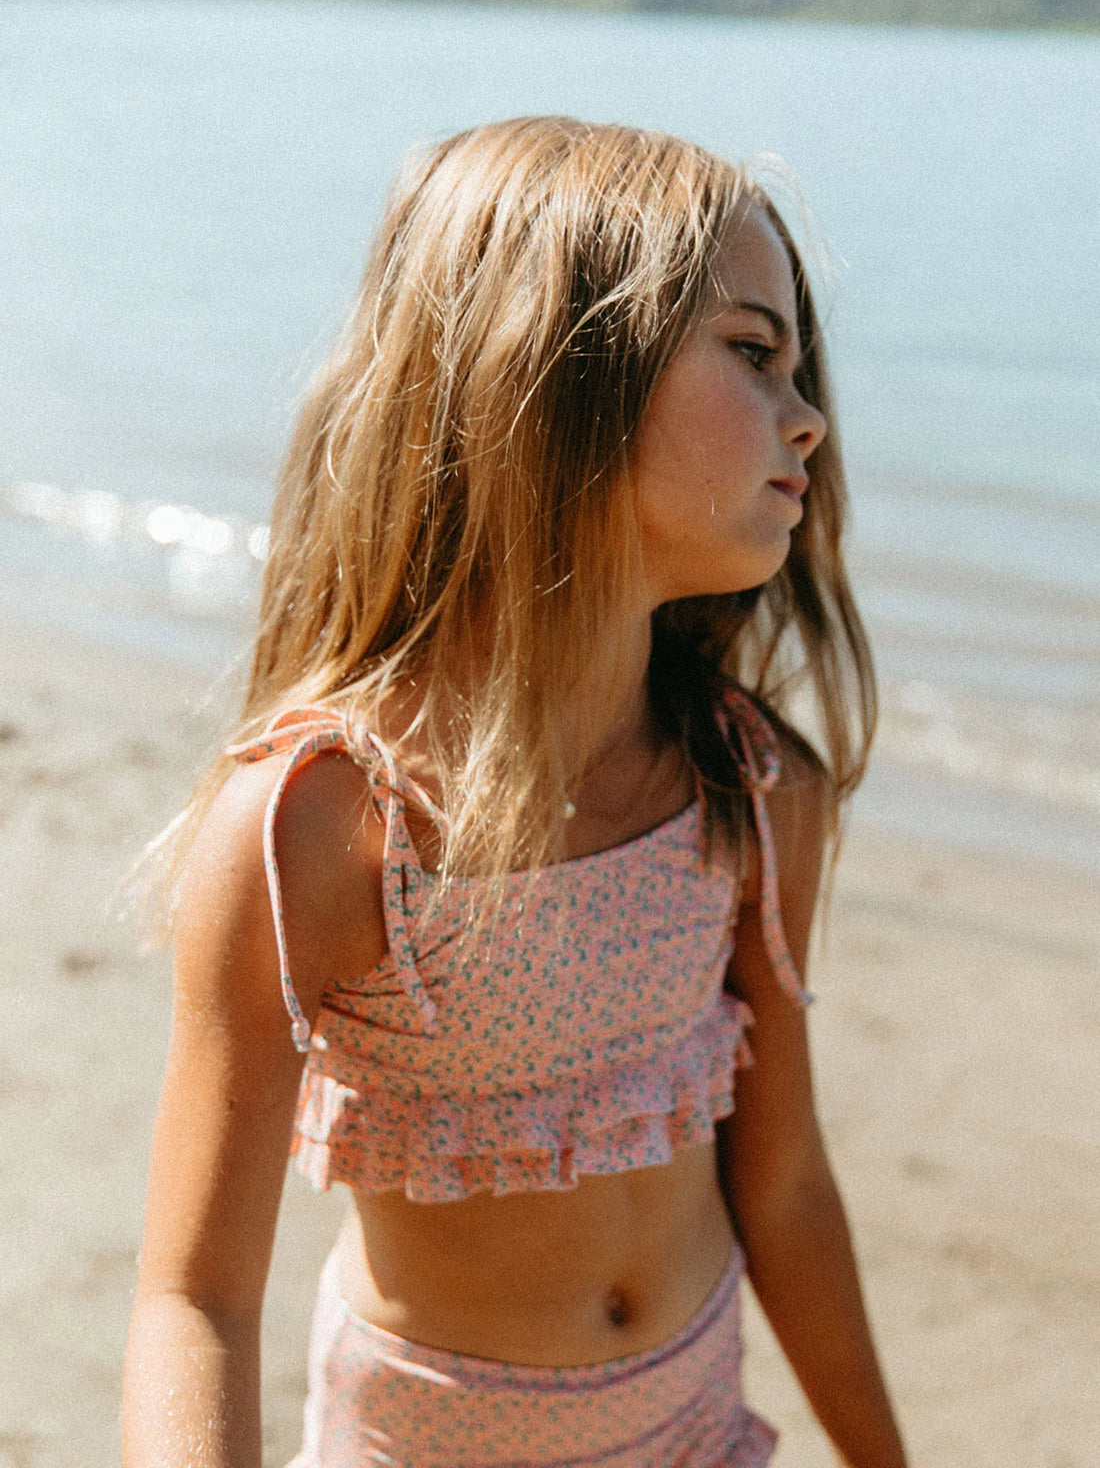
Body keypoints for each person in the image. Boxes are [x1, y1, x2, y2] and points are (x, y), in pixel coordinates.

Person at [122, 116, 907, 1467]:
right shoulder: (325, 825)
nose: (810, 415)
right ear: (556, 375)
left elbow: (784, 1189)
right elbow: (195, 1298)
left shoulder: (751, 788)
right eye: (754, 354)